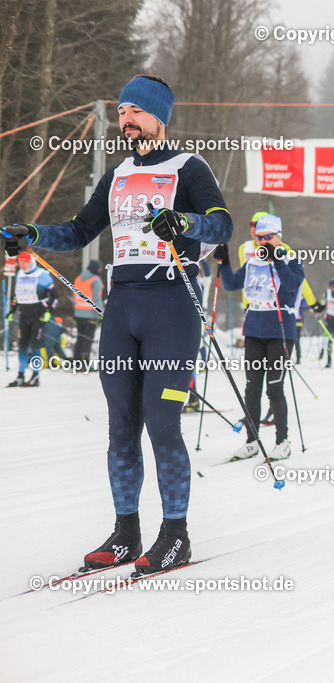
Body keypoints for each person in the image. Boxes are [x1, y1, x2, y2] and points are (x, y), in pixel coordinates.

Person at [1, 74, 233, 573]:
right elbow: (81, 230)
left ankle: (176, 535)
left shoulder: (189, 168)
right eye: (121, 111)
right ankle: (126, 532)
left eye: (134, 111)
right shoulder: (117, 175)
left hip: (172, 304)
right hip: (123, 306)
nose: (125, 120)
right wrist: (33, 234)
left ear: (158, 117)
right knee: (121, 427)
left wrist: (185, 223)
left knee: (163, 423)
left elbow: (222, 223)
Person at [218, 214, 303, 460]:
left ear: (279, 237)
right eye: (259, 238)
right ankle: (252, 440)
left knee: (274, 388)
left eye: (268, 237)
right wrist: (224, 262)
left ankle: (282, 440)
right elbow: (233, 284)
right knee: (251, 388)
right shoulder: (254, 260)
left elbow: (290, 285)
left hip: (280, 332)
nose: (263, 242)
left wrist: (277, 261)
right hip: (254, 329)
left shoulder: (292, 259)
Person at [6, 251, 55, 386]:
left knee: (35, 345)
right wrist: (12, 310)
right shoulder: (20, 274)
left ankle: (35, 376)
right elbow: (17, 295)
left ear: (31, 262)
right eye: (20, 262)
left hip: (38, 314)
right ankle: (20, 376)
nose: (22, 265)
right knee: (22, 344)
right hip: (24, 314)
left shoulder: (42, 274)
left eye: (25, 262)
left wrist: (48, 312)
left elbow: (54, 295)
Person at [72, 259, 104, 363]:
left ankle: (77, 361)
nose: (100, 270)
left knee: (80, 338)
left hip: (79, 313)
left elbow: (74, 297)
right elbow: (97, 299)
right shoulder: (95, 280)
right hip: (90, 314)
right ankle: (85, 362)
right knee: (88, 339)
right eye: (99, 268)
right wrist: (102, 313)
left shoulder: (78, 278)